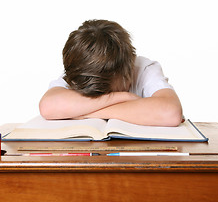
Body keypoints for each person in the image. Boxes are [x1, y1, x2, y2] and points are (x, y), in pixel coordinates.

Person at [39, 19, 183, 126]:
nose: (103, 96)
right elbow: (47, 106)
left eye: (107, 91)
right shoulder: (83, 70)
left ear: (128, 69)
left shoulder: (144, 69)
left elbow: (170, 112)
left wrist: (87, 113)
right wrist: (123, 97)